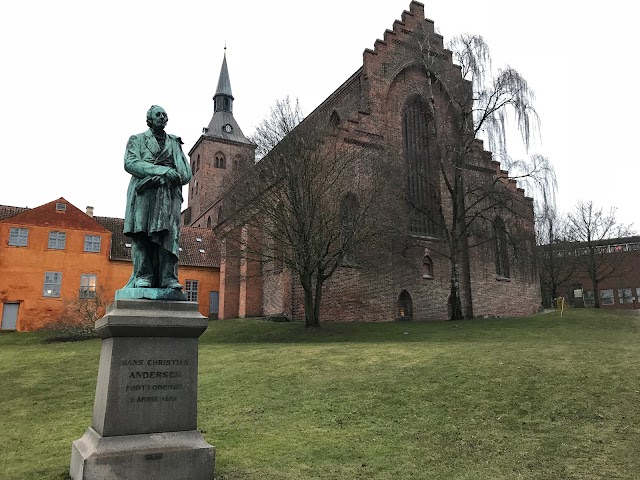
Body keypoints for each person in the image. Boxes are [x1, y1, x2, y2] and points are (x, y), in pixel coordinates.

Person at [122, 105, 192, 289]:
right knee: (142, 234)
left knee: (169, 236)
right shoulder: (136, 140)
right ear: (150, 119)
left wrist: (173, 177)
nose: (162, 117)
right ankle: (143, 276)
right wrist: (163, 171)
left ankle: (168, 277)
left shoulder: (174, 143)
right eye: (158, 115)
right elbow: (131, 163)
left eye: (164, 115)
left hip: (168, 194)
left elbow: (185, 172)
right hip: (144, 192)